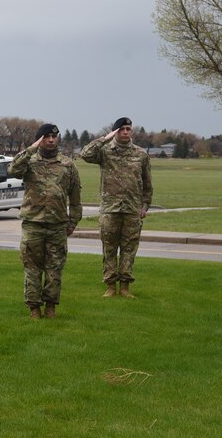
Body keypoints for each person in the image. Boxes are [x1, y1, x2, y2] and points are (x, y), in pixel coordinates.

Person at [9, 123, 82, 319]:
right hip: (33, 224)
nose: (51, 140)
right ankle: (34, 308)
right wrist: (31, 148)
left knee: (55, 268)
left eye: (54, 136)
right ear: (39, 139)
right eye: (47, 136)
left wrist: (73, 222)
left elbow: (75, 198)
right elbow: (12, 169)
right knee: (32, 268)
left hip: (58, 225)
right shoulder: (29, 161)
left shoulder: (67, 165)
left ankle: (50, 307)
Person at [79, 117, 153, 298]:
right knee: (109, 248)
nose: (126, 132)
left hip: (132, 209)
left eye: (128, 129)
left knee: (129, 248)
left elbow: (147, 183)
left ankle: (125, 286)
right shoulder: (105, 151)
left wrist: (145, 205)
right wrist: (104, 138)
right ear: (115, 132)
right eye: (121, 129)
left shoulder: (141, 154)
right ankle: (111, 285)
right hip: (110, 208)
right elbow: (85, 154)